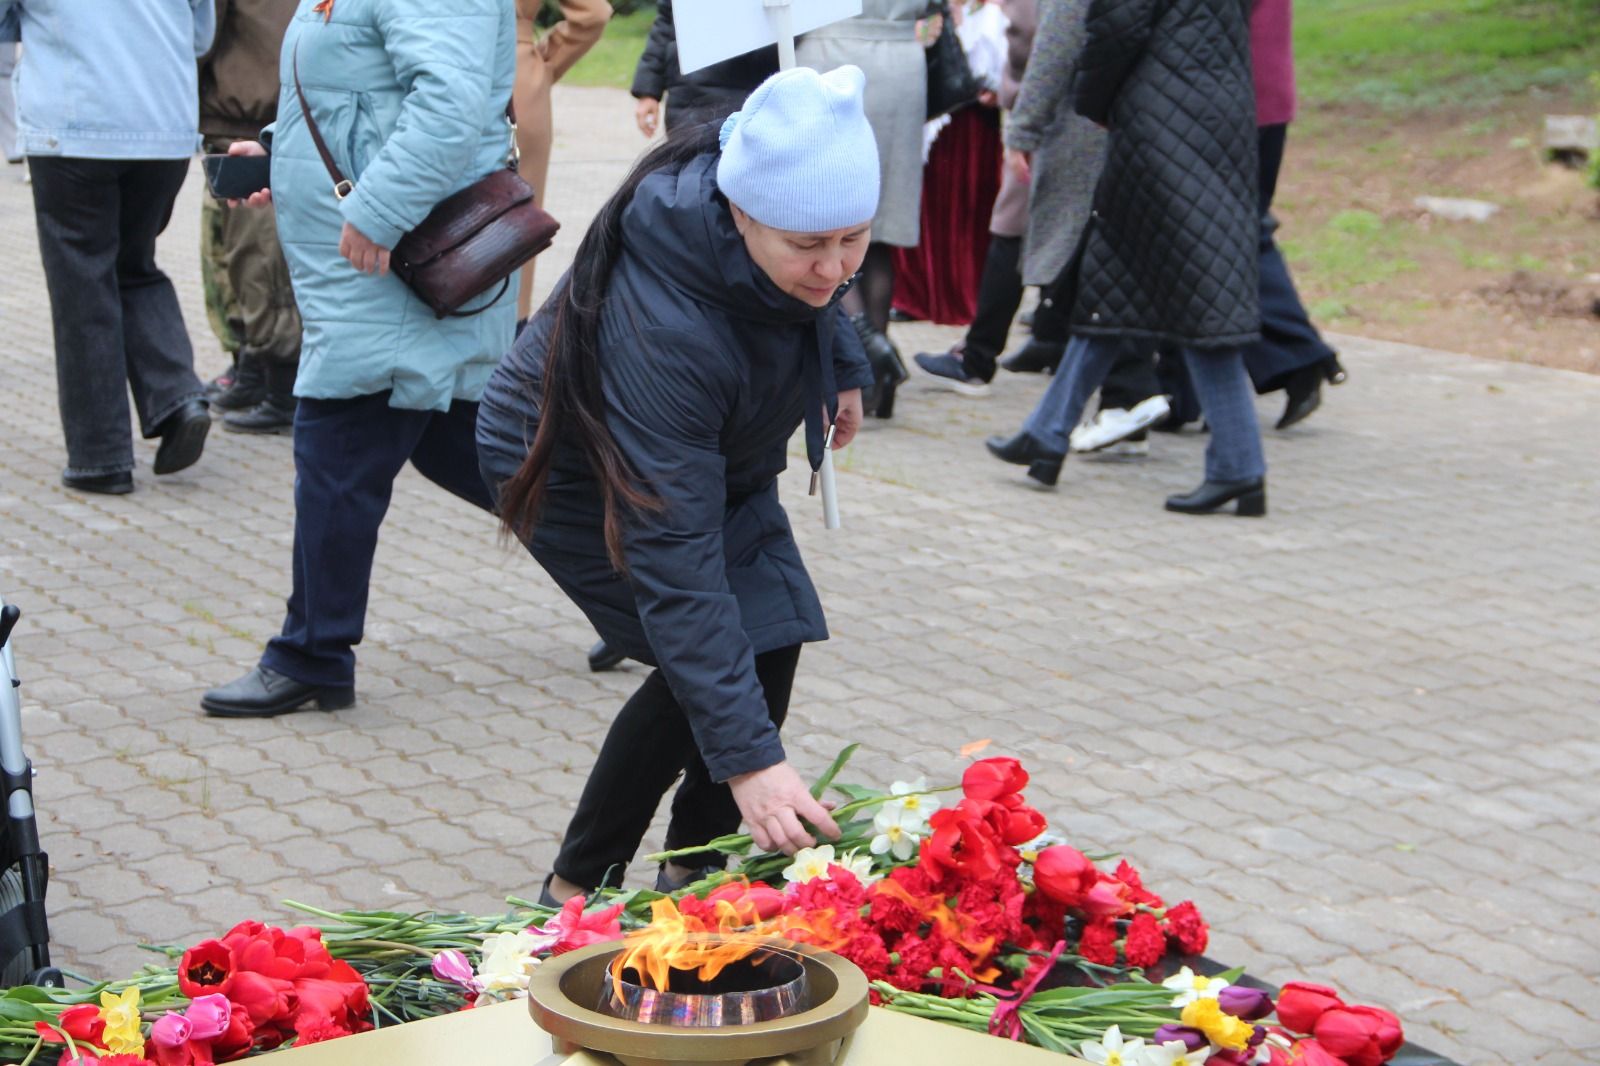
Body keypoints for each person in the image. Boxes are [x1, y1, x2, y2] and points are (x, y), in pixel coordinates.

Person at [476, 67, 878, 899]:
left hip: (718, 458)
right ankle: (575, 886)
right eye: (808, 246)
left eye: (855, 239)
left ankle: (692, 879)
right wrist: (755, 761)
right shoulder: (666, 327)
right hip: (574, 466)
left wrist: (839, 362)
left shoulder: (790, 231)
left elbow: (819, 296)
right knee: (696, 652)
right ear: (738, 212)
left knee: (775, 630)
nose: (833, 267)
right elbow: (676, 560)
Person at [200, 0, 518, 717]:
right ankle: (652, 583)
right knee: (476, 453)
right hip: (372, 272)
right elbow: (356, 95)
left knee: (336, 455)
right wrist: (280, 154)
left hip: (394, 266)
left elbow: (450, 103)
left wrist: (378, 210)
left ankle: (311, 654)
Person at [985, 0, 1268, 516]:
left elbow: (1112, 30)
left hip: (1160, 122)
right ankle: (1046, 434)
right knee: (1113, 284)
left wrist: (1092, 107)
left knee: (1199, 292)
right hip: (1219, 107)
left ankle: (1238, 466)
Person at [6, 0, 216, 496]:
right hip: (163, 127)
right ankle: (177, 397)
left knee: (83, 287)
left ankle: (100, 456)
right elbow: (201, 35)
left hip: (75, 129)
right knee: (134, 265)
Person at [798, 0, 936, 419]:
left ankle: (864, 353)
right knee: (879, 228)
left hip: (830, 56)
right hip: (900, 65)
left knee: (828, 219)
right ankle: (877, 381)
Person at [199, 0, 303, 435]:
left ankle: (281, 389)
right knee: (232, 255)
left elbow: (201, 34)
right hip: (241, 114)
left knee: (260, 260)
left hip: (258, 113)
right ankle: (252, 370)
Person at [890, 0, 1007, 330]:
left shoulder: (991, 11)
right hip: (936, 115)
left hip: (972, 122)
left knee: (964, 211)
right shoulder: (933, 9)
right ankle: (919, 294)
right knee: (932, 208)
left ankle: (960, 296)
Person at [512, 0, 611, 326]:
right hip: (516, 77)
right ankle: (513, 328)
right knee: (511, 220)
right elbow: (593, 13)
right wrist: (541, 61)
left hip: (429, 64)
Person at [630, 0, 778, 138]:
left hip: (746, 96)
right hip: (688, 99)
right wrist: (648, 92)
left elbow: (788, 25)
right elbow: (665, 23)